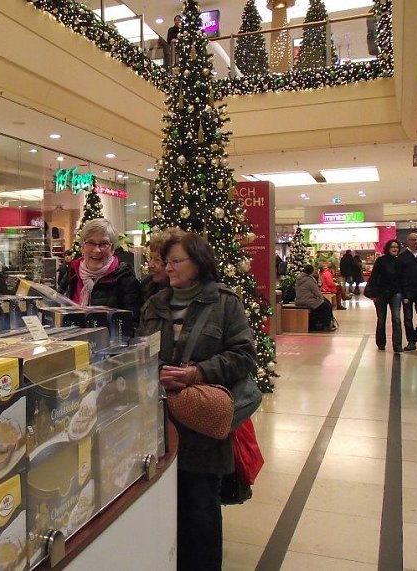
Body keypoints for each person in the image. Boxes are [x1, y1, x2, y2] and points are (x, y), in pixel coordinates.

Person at [137, 231, 255, 571]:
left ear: (198, 263)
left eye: (176, 261)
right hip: (159, 420)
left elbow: (244, 355)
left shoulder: (224, 303)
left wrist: (198, 373)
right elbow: (141, 351)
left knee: (200, 506)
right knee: (164, 503)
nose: (167, 268)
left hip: (201, 422)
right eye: (164, 261)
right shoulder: (155, 304)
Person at [58, 218, 143, 324]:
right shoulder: (72, 273)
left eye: (103, 244)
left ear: (112, 249)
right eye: (91, 243)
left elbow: (132, 323)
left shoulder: (125, 279)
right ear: (82, 247)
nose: (97, 250)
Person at [366, 240, 403, 352]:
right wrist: (372, 293)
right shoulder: (381, 261)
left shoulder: (400, 261)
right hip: (381, 293)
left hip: (395, 293)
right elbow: (374, 277)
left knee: (396, 318)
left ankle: (397, 345)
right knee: (381, 319)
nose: (394, 249)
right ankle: (381, 343)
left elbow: (404, 278)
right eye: (392, 247)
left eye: (396, 247)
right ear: (388, 248)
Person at [295, 265, 336, 331]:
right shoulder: (309, 279)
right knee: (327, 306)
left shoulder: (299, 278)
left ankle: (323, 324)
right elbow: (316, 292)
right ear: (311, 271)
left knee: (322, 305)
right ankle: (327, 325)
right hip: (308, 300)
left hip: (299, 300)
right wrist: (321, 298)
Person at [141, 230, 175, 302]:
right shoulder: (146, 285)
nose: (151, 265)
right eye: (150, 258)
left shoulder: (180, 293)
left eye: (157, 260)